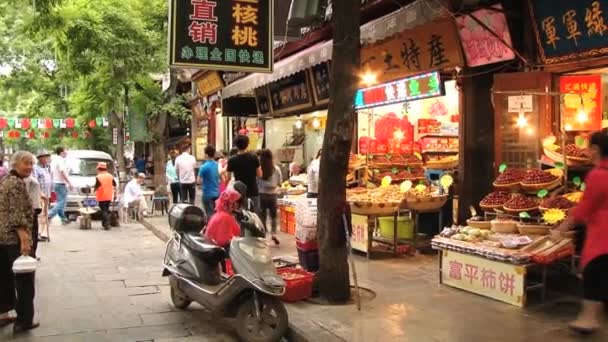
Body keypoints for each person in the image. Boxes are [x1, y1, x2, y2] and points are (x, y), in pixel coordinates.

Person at [555, 130, 608, 334]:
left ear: (596, 149)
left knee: (593, 276)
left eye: (588, 146)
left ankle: (588, 319)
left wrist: (563, 226)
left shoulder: (598, 175)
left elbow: (586, 206)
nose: (585, 151)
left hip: (602, 238)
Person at [0, 151, 39, 333]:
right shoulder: (15, 184)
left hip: (4, 239)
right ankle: (24, 320)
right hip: (14, 240)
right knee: (24, 281)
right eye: (26, 163)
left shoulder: (6, 181)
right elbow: (17, 215)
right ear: (15, 164)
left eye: (31, 163)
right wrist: (24, 240)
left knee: (5, 279)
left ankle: (4, 314)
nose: (30, 167)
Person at [203, 189, 241, 270]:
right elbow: (222, 240)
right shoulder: (225, 217)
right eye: (236, 202)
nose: (237, 205)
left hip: (213, 248)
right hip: (217, 251)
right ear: (231, 203)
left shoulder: (220, 214)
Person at [227, 135, 262, 212]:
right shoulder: (254, 157)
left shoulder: (232, 160)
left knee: (240, 214)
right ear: (247, 144)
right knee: (254, 214)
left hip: (238, 192)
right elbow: (259, 174)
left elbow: (228, 178)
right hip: (253, 190)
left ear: (236, 145)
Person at [258, 149, 282, 245]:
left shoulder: (259, 169)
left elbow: (256, 181)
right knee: (273, 216)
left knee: (262, 217)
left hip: (261, 194)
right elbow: (280, 182)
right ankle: (274, 234)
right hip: (273, 195)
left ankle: (263, 236)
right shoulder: (276, 169)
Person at [48, 147, 74, 224]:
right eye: (65, 151)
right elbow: (62, 172)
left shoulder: (54, 160)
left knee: (60, 201)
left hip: (56, 183)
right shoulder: (60, 160)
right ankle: (50, 214)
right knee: (62, 202)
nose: (66, 152)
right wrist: (70, 183)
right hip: (60, 183)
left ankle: (63, 218)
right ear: (61, 152)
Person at [34, 150, 52, 242]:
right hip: (40, 195)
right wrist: (41, 194)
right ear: (40, 158)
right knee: (40, 214)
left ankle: (43, 232)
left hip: (47, 195)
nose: (46, 159)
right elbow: (35, 182)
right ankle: (38, 233)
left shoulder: (47, 167)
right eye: (44, 157)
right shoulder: (36, 168)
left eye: (47, 157)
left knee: (45, 214)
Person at [197, 145, 220, 217]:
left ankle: (211, 227)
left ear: (206, 154)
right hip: (217, 193)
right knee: (216, 214)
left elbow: (199, 181)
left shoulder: (204, 167)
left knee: (209, 214)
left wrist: (202, 184)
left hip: (207, 194)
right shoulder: (218, 165)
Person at [94, 162, 116, 230]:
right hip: (109, 195)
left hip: (101, 196)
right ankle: (104, 224)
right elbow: (115, 185)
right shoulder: (110, 176)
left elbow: (96, 186)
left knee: (104, 210)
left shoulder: (98, 177)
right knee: (106, 209)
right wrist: (115, 194)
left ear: (99, 169)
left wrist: (93, 190)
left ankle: (107, 224)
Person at [24, 174, 41, 259]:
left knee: (33, 234)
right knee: (30, 234)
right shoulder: (24, 180)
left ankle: (32, 254)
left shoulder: (30, 178)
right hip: (30, 209)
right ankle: (29, 255)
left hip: (34, 208)